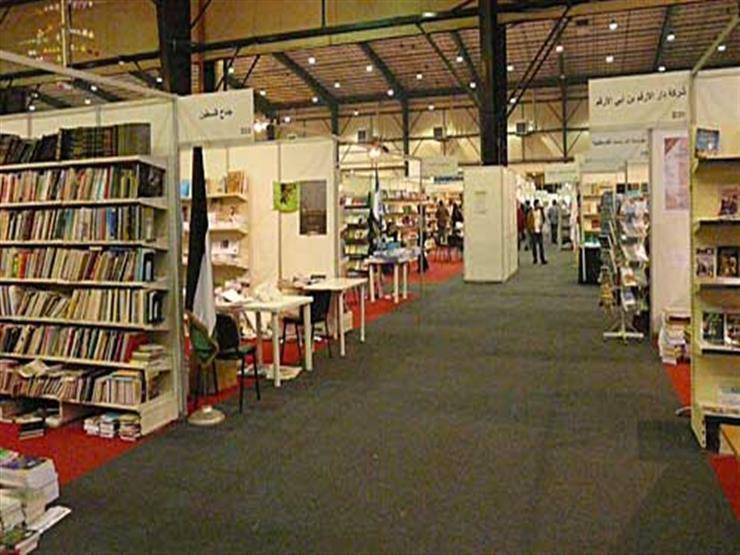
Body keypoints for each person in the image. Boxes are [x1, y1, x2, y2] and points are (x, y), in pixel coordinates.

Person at [526, 199, 547, 264]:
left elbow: (543, 219)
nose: (539, 205)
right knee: (534, 245)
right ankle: (535, 259)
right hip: (533, 230)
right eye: (538, 204)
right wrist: (530, 229)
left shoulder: (541, 211)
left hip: (539, 230)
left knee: (541, 245)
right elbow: (528, 220)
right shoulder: (531, 212)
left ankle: (542, 258)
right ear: (535, 204)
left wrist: (541, 224)